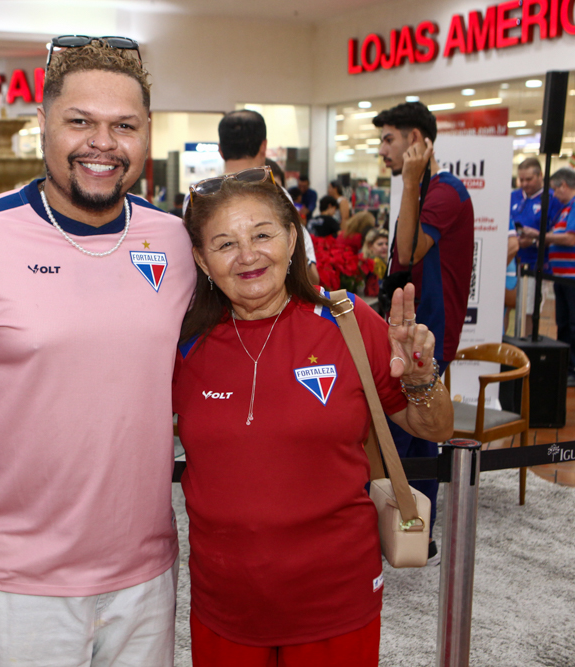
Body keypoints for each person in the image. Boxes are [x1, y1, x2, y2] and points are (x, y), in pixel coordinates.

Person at [0, 37, 194, 666]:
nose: (102, 143)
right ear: (43, 124)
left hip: (146, 575)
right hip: (17, 584)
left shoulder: (175, 241)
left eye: (124, 125)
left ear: (147, 132)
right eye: (80, 121)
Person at [174, 168, 453, 664]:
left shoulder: (347, 323)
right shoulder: (183, 344)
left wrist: (420, 377)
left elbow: (435, 428)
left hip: (336, 598)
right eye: (225, 244)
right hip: (225, 601)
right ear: (201, 259)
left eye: (263, 235)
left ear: (292, 238)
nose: (248, 255)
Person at [374, 101, 473, 559]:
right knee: (408, 432)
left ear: (415, 140)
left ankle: (414, 529)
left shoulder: (445, 191)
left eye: (388, 139)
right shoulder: (426, 190)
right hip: (411, 326)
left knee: (410, 433)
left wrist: (411, 182)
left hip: (430, 331)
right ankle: (412, 528)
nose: (382, 150)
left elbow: (409, 250)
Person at [216, 109, 319, 286]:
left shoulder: (196, 199)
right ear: (263, 147)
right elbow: (306, 273)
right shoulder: (275, 194)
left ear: (221, 150)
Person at [520, 167, 575, 387]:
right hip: (565, 276)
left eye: (555, 189)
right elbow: (560, 235)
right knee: (564, 323)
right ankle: (567, 365)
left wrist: (539, 236)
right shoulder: (568, 208)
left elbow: (570, 238)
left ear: (564, 185)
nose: (554, 195)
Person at [511, 157, 563, 335]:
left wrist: (533, 240)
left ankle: (526, 345)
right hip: (511, 263)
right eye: (521, 179)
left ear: (540, 175)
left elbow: (557, 234)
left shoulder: (553, 199)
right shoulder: (514, 197)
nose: (524, 184)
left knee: (528, 310)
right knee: (505, 306)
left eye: (529, 179)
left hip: (536, 266)